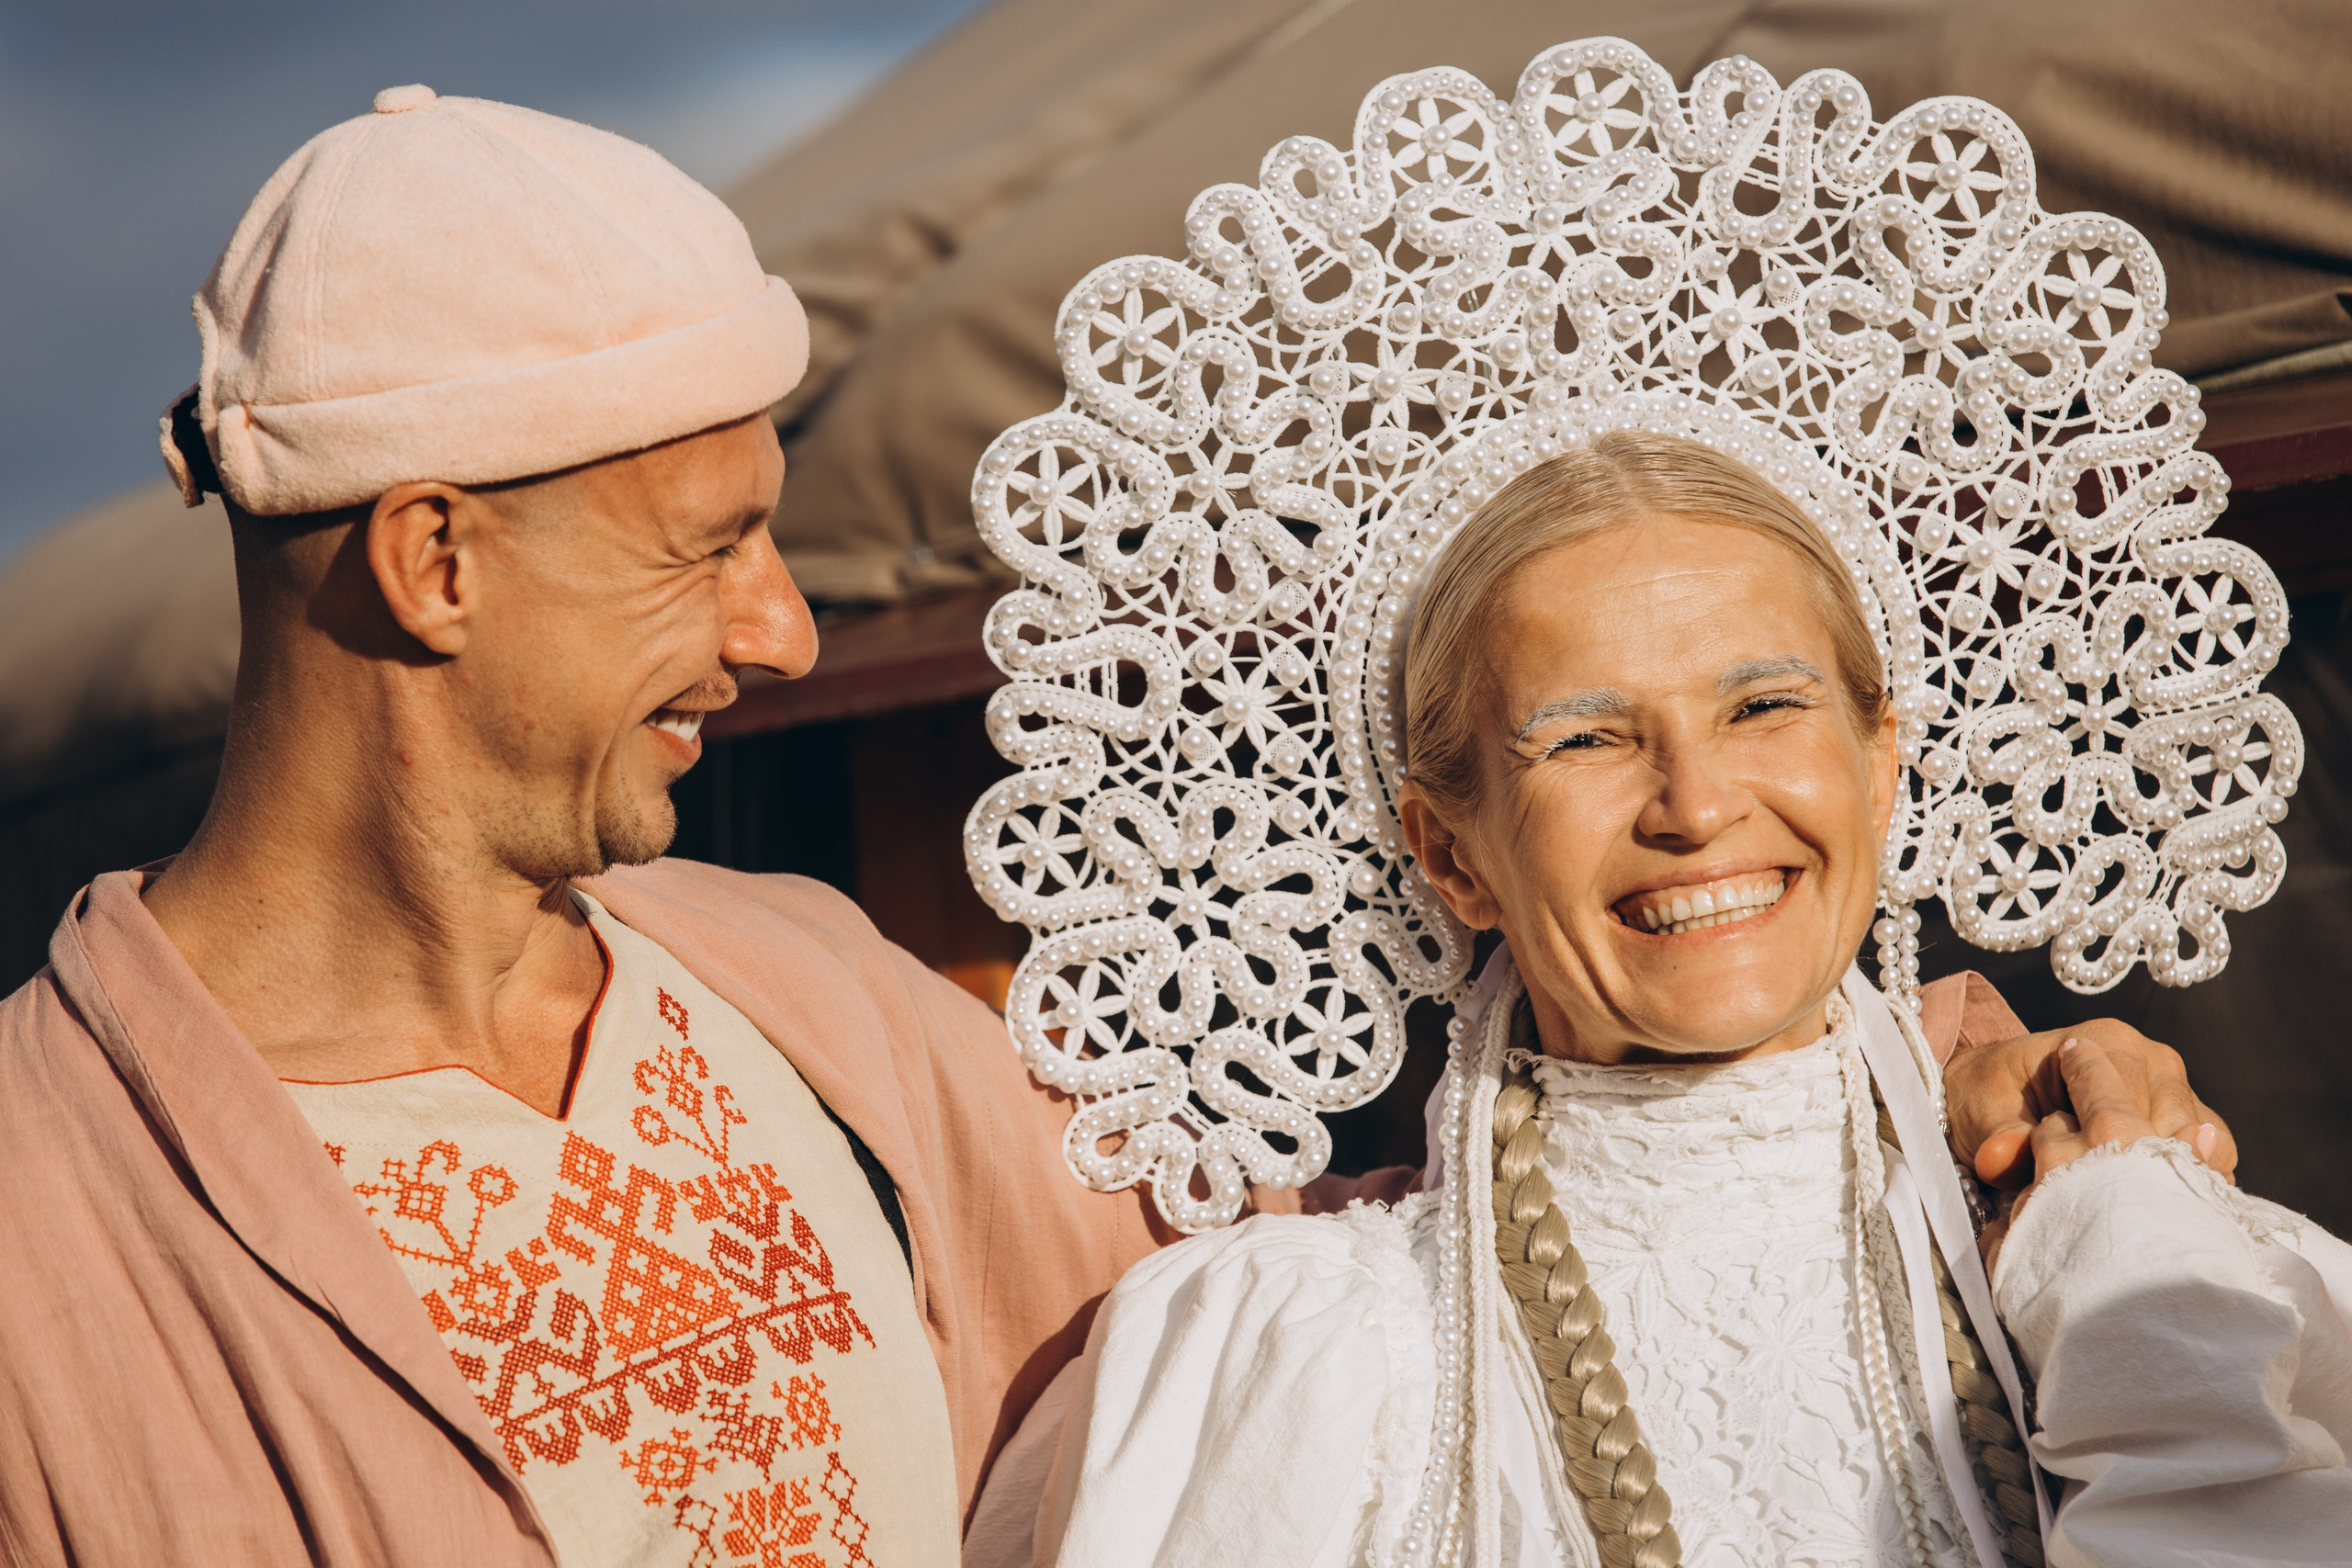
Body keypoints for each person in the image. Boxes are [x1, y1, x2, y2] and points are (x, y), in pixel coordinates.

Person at [0, 79, 2232, 1568]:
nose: (779, 632)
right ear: (430, 562)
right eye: (705, 549)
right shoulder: (40, 1224)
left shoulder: (800, 991)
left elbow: (1339, 1284)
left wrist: (1888, 1070)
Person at [947, 38, 2348, 1568]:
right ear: (1448, 851)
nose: (1696, 805)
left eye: (1763, 706)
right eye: (1587, 740)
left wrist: (2122, 1259)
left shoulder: (2173, 1273)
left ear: (1887, 762)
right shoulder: (1300, 1367)